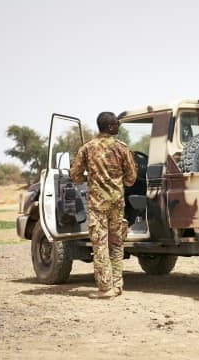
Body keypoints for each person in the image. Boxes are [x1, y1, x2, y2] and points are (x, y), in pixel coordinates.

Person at [70, 111, 137, 299]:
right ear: (109, 127)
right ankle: (117, 284)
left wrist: (90, 176)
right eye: (116, 124)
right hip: (117, 203)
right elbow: (131, 179)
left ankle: (106, 288)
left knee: (100, 245)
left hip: (98, 205)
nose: (118, 126)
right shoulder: (122, 148)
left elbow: (75, 176)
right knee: (116, 243)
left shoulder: (87, 148)